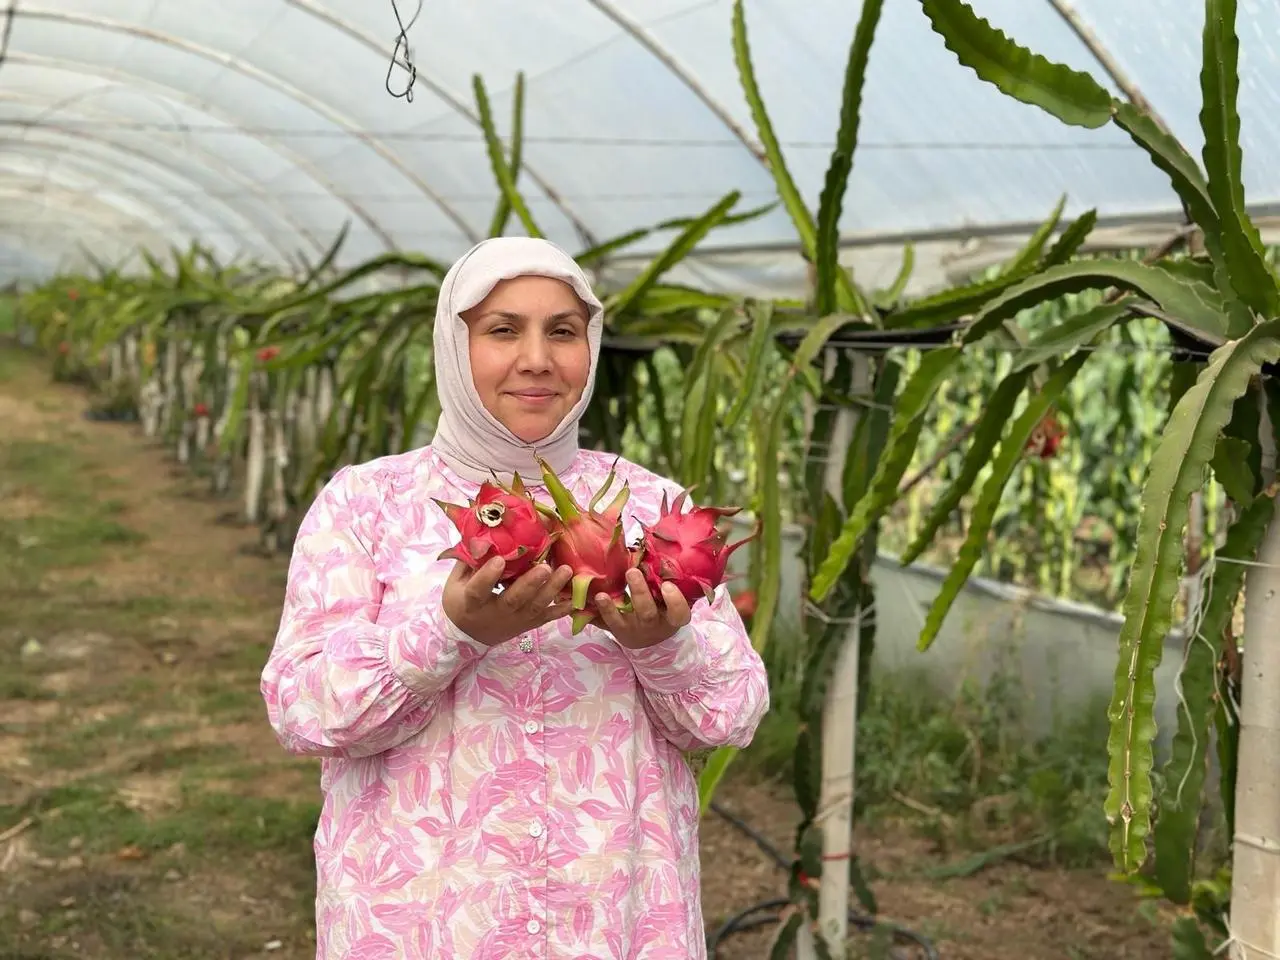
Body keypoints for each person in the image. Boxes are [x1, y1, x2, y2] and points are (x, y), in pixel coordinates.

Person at [260, 236, 770, 959]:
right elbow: (302, 711)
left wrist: (661, 644)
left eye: (562, 331)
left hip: (611, 919)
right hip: (421, 923)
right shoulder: (367, 504)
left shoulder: (652, 509)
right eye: (503, 330)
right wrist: (449, 632)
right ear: (453, 345)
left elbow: (731, 714)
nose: (537, 358)